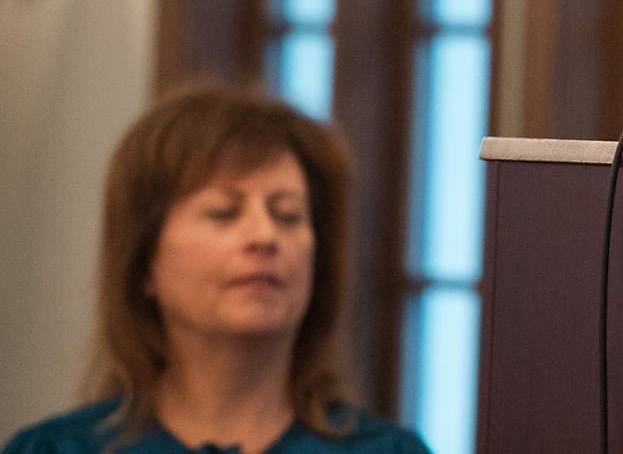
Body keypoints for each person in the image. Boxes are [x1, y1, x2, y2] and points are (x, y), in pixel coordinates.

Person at [3, 86, 431, 454]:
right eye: (224, 213)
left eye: (287, 215)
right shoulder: (56, 450)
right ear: (143, 264)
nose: (264, 236)